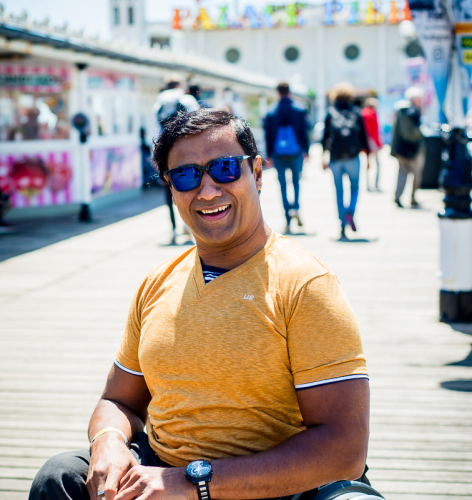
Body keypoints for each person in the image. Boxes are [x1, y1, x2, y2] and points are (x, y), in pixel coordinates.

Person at [29, 109, 371, 500]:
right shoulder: (158, 282)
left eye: (224, 168)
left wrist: (195, 482)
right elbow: (119, 399)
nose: (207, 191)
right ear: (171, 190)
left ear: (257, 173)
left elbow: (345, 448)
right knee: (60, 477)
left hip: (270, 490)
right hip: (159, 477)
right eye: (187, 175)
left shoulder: (306, 285)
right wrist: (109, 441)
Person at [153, 75, 200, 244]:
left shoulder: (158, 104)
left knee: (168, 192)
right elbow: (197, 127)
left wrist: (156, 159)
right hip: (186, 156)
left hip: (165, 156)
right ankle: (188, 226)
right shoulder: (187, 100)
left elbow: (154, 134)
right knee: (190, 190)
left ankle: (173, 229)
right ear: (180, 86)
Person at [322, 82, 370, 238]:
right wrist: (368, 157)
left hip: (335, 158)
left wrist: (324, 156)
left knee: (339, 191)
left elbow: (325, 137)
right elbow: (364, 136)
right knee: (355, 188)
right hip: (353, 157)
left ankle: (342, 223)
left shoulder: (331, 112)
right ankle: (350, 212)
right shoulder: (356, 112)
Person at [264, 82, 310, 234]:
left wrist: (269, 155)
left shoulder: (271, 111)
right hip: (296, 152)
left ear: (278, 93)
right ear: (289, 92)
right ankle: (296, 207)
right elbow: (304, 131)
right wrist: (306, 150)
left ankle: (287, 216)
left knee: (282, 185)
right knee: (296, 181)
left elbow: (268, 135)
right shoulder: (299, 109)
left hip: (278, 153)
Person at [391, 86, 425, 209]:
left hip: (404, 149)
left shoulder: (403, 111)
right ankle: (409, 198)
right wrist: (421, 132)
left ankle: (400, 197)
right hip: (411, 150)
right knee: (413, 174)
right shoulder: (409, 112)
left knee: (404, 174)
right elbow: (409, 133)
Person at [361, 98, 383, 191]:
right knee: (377, 164)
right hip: (372, 142)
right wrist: (378, 143)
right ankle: (375, 184)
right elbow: (373, 131)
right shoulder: (371, 114)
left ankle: (367, 185)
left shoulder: (362, 113)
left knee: (368, 164)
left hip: (365, 142)